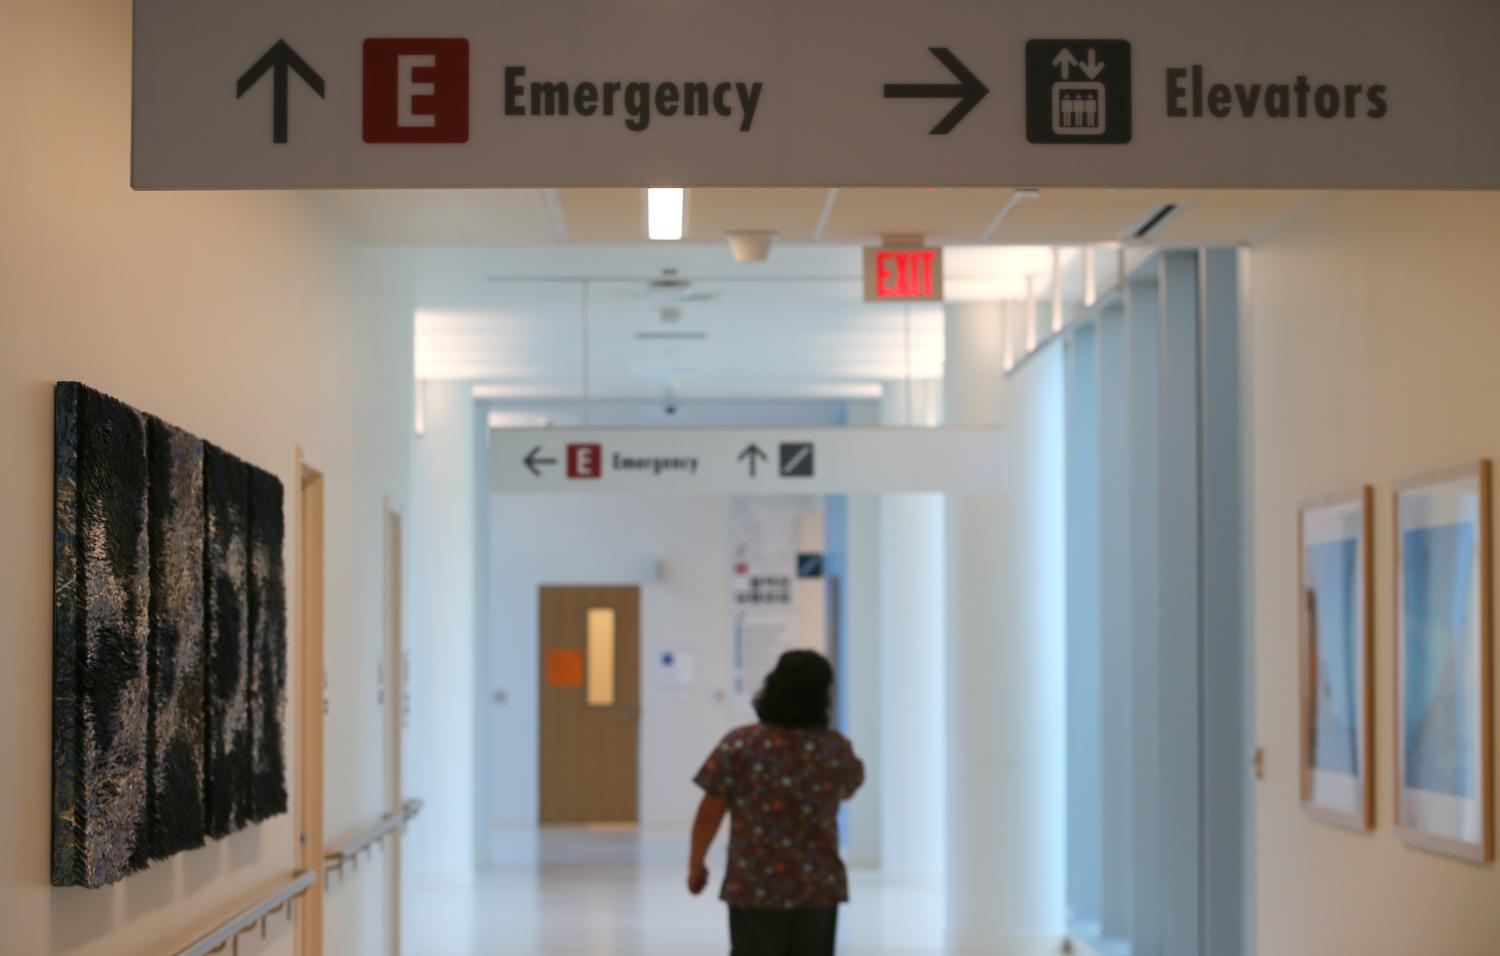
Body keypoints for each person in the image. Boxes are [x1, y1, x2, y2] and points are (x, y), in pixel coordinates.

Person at [688, 650, 865, 956]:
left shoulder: (740, 744)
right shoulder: (835, 748)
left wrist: (696, 864)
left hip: (754, 883)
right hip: (817, 886)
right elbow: (847, 791)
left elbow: (710, 812)